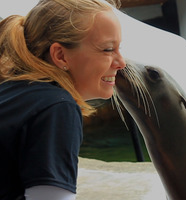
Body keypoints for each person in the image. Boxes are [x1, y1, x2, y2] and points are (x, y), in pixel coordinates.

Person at [0, 0, 126, 199]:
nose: (121, 62)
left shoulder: (12, 91)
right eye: (108, 49)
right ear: (60, 55)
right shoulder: (56, 107)